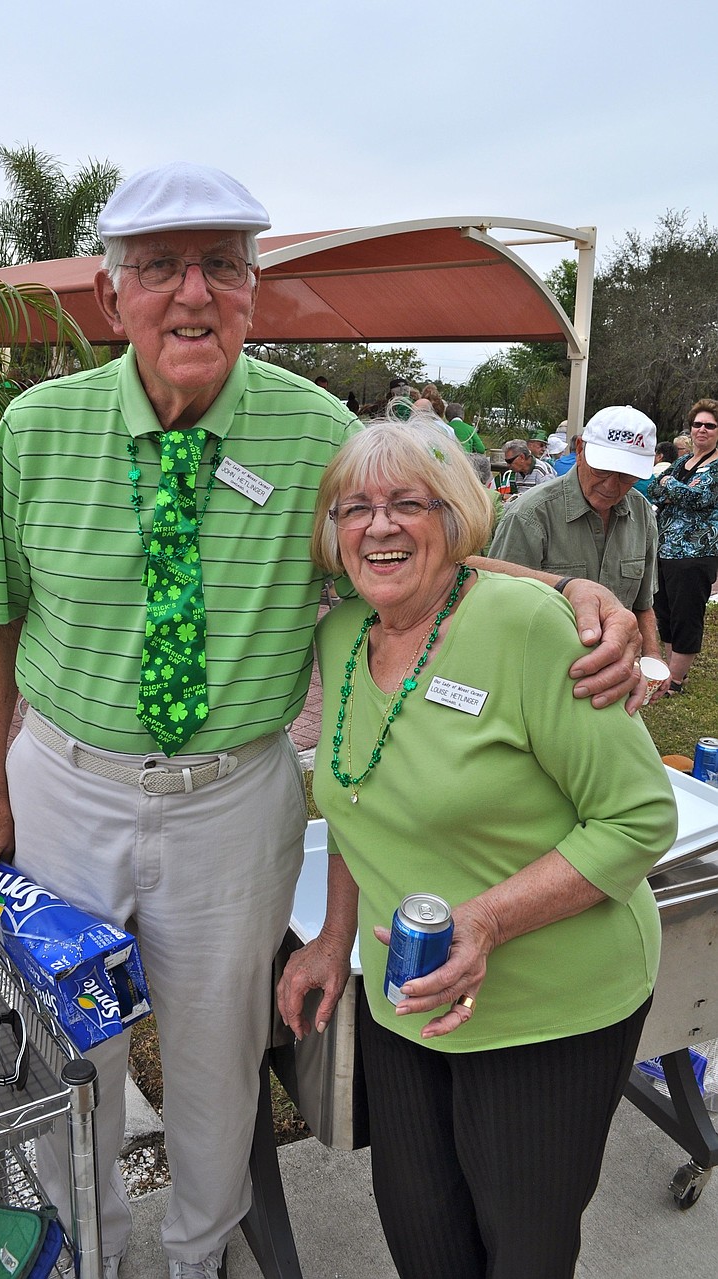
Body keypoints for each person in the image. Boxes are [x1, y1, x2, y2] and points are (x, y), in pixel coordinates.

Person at [0, 161, 644, 1279]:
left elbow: (437, 546)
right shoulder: (38, 428)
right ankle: (85, 1247)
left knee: (218, 1052)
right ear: (111, 295)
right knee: (63, 1049)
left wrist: (575, 590)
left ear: (252, 294)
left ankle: (196, 1256)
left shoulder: (314, 428)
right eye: (162, 268)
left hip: (232, 796)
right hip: (64, 783)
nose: (192, 294)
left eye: (221, 267)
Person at [277, 420, 677, 1279]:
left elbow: (639, 817)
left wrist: (489, 919)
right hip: (407, 997)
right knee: (422, 1233)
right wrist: (331, 939)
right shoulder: (343, 635)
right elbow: (359, 803)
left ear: (454, 517)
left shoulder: (529, 628)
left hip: (551, 1007)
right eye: (356, 507)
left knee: (522, 1245)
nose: (379, 526)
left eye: (408, 504)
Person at [490, 406, 669, 699]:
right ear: (579, 448)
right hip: (543, 679)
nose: (612, 486)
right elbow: (497, 605)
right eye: (603, 470)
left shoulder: (642, 515)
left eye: (627, 476)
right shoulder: (531, 515)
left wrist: (652, 656)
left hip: (616, 676)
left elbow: (642, 603)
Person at [648, 398, 718, 694]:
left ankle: (674, 681)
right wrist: (672, 487)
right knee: (665, 611)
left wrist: (670, 486)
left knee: (687, 615)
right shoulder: (682, 462)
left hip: (696, 553)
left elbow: (700, 499)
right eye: (697, 424)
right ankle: (670, 671)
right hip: (665, 550)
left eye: (710, 425)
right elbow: (652, 488)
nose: (701, 430)